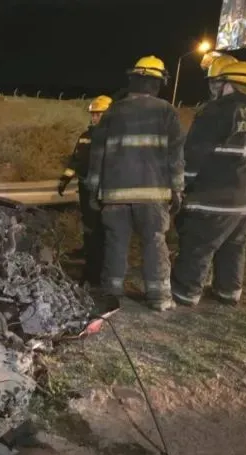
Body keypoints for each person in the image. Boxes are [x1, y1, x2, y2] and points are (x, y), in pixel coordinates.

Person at [171, 61, 246, 307]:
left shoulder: (216, 111)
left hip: (212, 198)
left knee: (198, 245)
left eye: (216, 83)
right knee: (233, 246)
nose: (214, 89)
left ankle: (186, 292)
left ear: (227, 85)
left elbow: (194, 156)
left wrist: (181, 186)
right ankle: (228, 291)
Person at [87, 56, 185, 311]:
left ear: (133, 80)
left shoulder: (113, 111)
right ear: (158, 82)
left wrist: (92, 191)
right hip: (153, 196)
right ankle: (159, 297)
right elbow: (176, 157)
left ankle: (112, 294)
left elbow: (97, 156)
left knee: (116, 243)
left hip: (115, 196)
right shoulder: (167, 112)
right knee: (154, 242)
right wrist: (177, 189)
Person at [57, 95, 113, 285]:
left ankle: (97, 268)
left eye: (99, 114)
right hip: (85, 186)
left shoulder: (113, 139)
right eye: (93, 114)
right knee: (89, 223)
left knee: (100, 229)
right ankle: (89, 252)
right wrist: (65, 178)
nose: (95, 118)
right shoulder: (85, 136)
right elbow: (76, 159)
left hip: (104, 190)